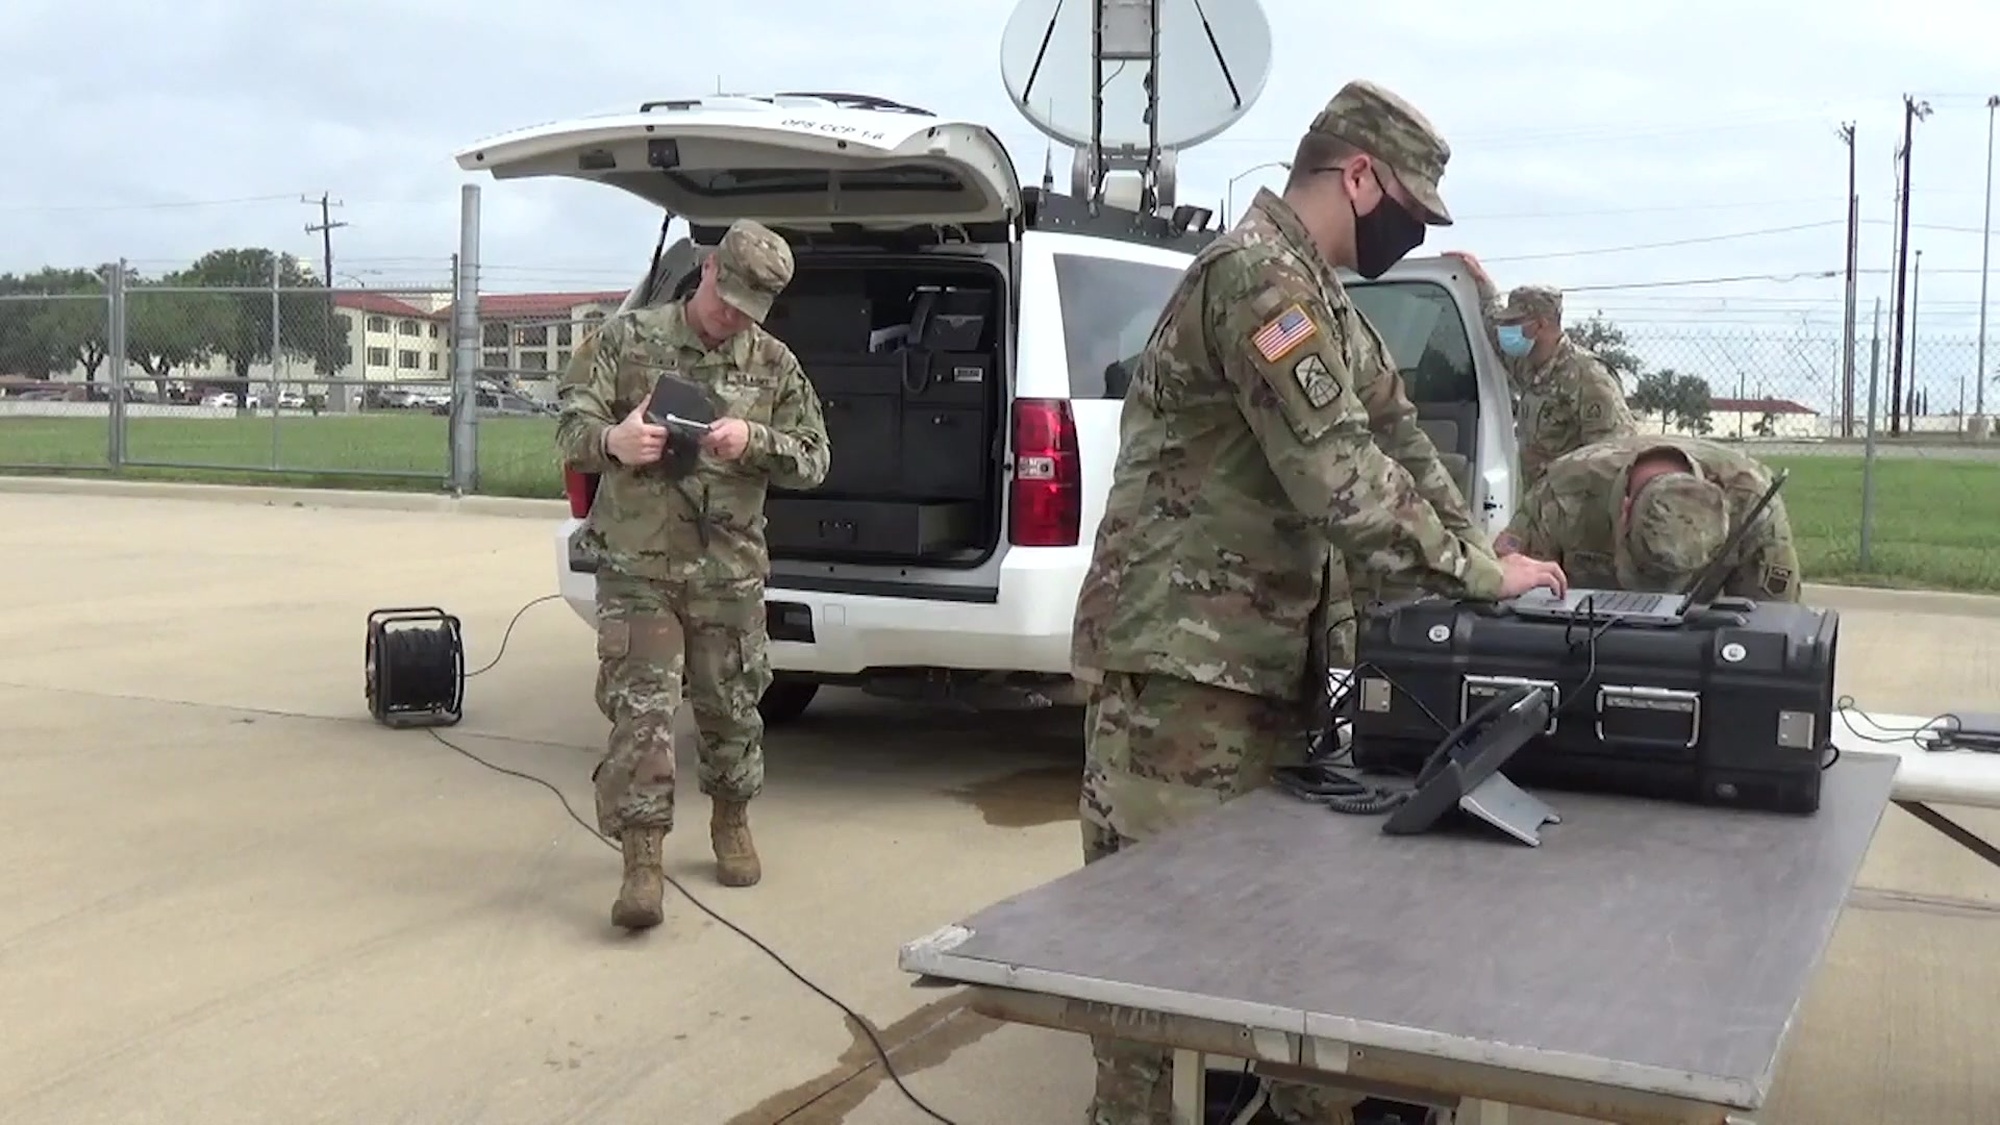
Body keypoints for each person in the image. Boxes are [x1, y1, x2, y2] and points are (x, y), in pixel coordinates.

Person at [1068, 79, 1568, 1125]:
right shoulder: (1254, 280)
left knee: (1272, 946)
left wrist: (1480, 554)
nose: (1408, 233)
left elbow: (1399, 439)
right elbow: (1336, 472)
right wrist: (1475, 576)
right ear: (1357, 177)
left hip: (1256, 667)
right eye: (1407, 210)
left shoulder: (1322, 297)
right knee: (1151, 975)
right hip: (1178, 674)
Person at [553, 219, 831, 931]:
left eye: (748, 308)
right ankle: (642, 860)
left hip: (727, 570)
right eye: (726, 297)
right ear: (706, 269)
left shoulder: (773, 363)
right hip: (637, 564)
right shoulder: (628, 340)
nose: (731, 316)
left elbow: (814, 456)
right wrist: (614, 440)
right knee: (640, 714)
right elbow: (569, 424)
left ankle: (731, 820)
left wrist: (755, 441)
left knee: (731, 704)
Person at [1493, 434, 1801, 601]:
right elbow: (1505, 598)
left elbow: (1774, 627)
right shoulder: (1563, 492)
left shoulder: (1752, 505)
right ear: (1625, 509)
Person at [1445, 256, 1637, 490]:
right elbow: (1492, 326)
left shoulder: (1588, 376)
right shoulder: (1528, 365)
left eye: (1515, 321)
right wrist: (1480, 280)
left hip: (1573, 510)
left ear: (1541, 324)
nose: (1506, 328)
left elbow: (1617, 455)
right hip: (1539, 505)